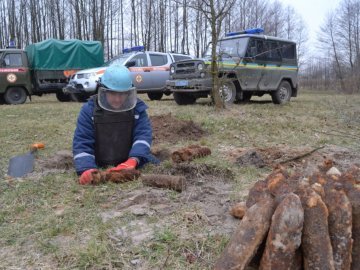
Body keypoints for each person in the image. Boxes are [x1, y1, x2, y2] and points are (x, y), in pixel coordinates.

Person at [73, 65, 156, 185]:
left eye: (122, 94)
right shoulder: (89, 110)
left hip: (130, 159)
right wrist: (86, 168)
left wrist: (134, 160)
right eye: (112, 93)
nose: (117, 99)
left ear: (129, 92)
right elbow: (82, 142)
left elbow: (143, 136)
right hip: (99, 161)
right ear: (102, 90)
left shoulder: (137, 108)